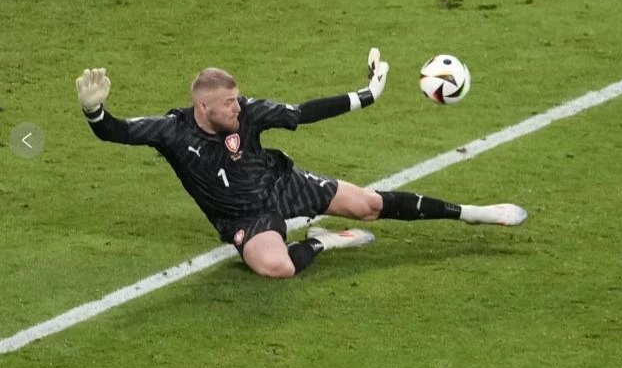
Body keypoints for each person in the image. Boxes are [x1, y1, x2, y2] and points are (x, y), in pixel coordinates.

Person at [75, 49, 527, 279]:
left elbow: (302, 112)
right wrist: (95, 111)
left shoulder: (248, 112)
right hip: (243, 216)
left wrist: (365, 96)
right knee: (278, 270)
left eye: (238, 99)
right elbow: (116, 132)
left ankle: (474, 214)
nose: (238, 107)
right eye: (228, 103)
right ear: (202, 105)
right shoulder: (172, 132)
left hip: (281, 183)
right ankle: (327, 242)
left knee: (368, 203)